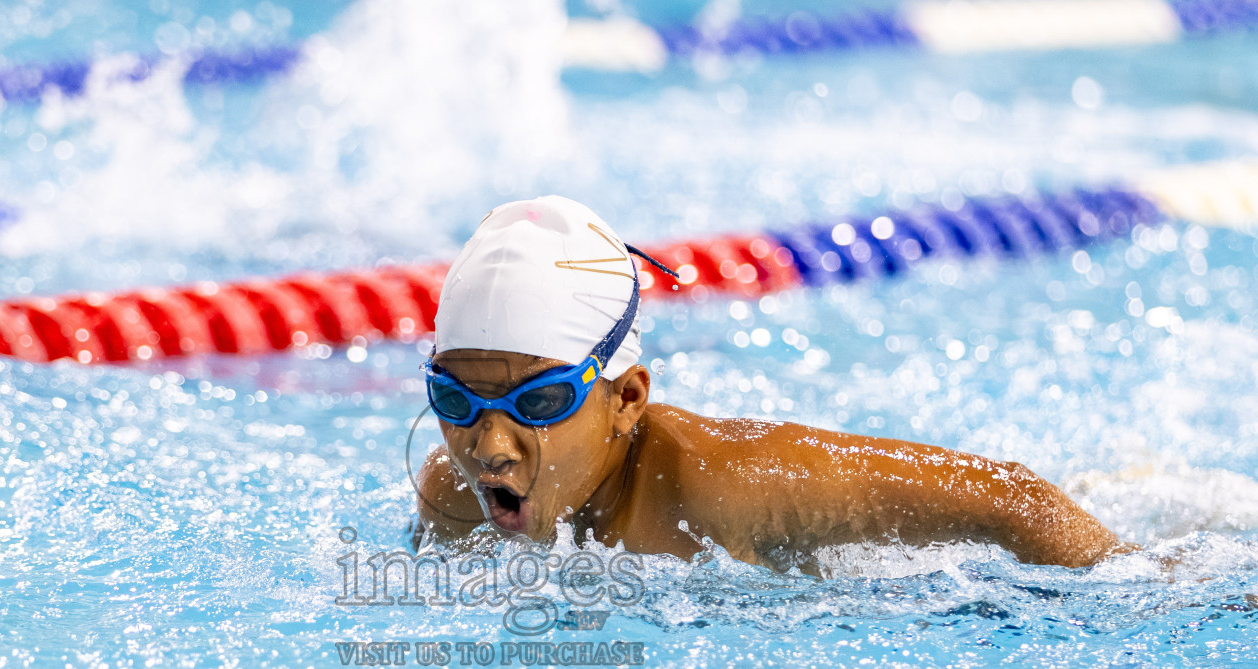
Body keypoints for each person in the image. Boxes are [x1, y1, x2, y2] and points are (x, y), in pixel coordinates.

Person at [412, 195, 1127, 571]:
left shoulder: (728, 486)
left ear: (626, 399)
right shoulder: (454, 498)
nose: (488, 447)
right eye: (455, 400)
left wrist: (1151, 592)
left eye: (538, 401)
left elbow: (1014, 498)